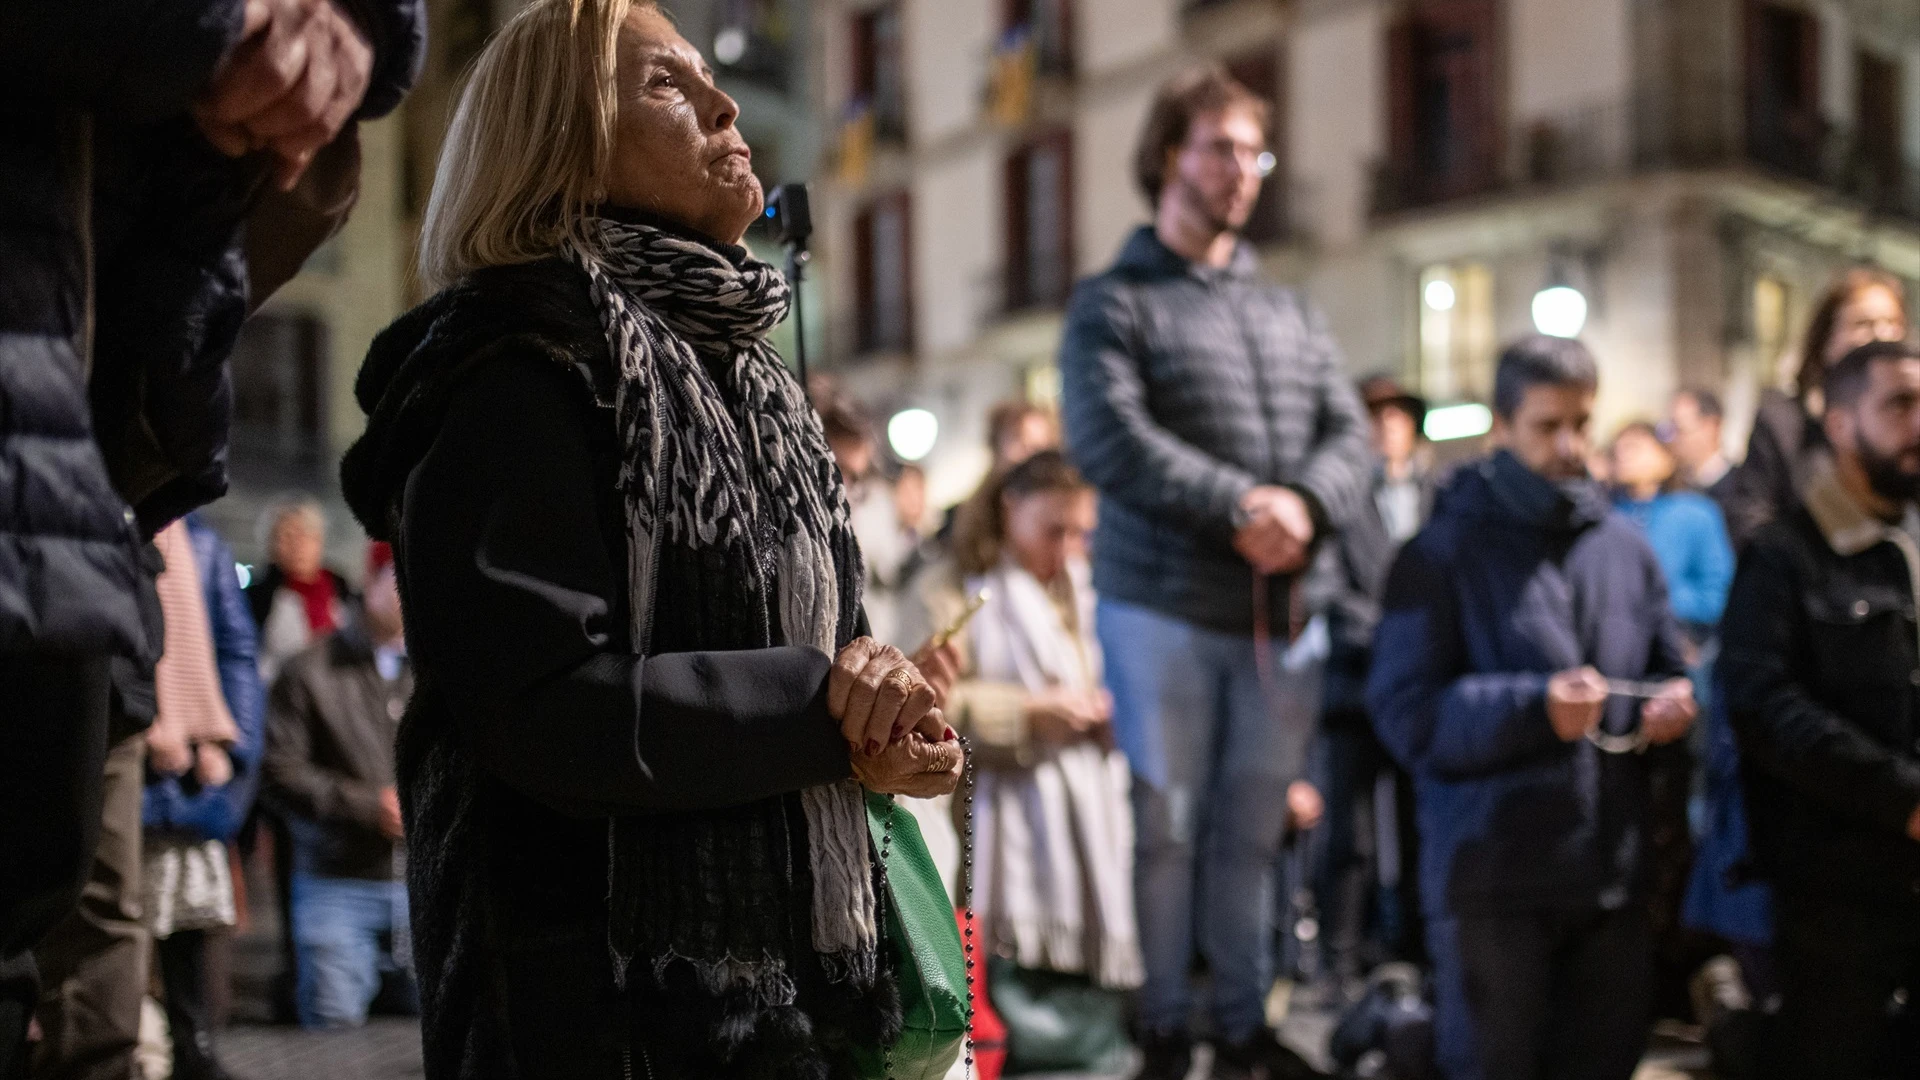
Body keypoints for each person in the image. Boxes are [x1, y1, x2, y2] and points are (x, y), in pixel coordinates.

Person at [335, 2, 964, 1075]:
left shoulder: (756, 387)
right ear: (557, 145)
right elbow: (543, 707)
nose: (725, 104)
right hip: (589, 1006)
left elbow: (832, 650)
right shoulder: (517, 371)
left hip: (789, 1004)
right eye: (666, 85)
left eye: (707, 77)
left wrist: (885, 712)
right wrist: (819, 703)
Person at [0, 0, 421, 1070]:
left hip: (84, 481)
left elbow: (226, 663)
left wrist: (351, 33)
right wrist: (219, 31)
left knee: (74, 937)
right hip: (68, 494)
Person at [1059, 64, 1372, 1080]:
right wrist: (1242, 503)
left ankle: (1239, 1028)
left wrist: (1309, 504)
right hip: (1164, 611)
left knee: (1250, 833)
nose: (1243, 170)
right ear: (1166, 157)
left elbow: (1350, 432)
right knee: (1168, 831)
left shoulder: (1288, 310)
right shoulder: (1112, 302)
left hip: (1281, 617)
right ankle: (1163, 1027)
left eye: (1254, 150)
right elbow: (1110, 438)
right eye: (1220, 147)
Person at [1367, 335, 1699, 1080]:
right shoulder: (1439, 555)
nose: (1571, 446)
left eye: (1581, 423)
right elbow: (1404, 711)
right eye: (1548, 426)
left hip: (1609, 876)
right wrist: (1532, 709)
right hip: (1492, 880)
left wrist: (1674, 711)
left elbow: (1665, 668)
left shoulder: (1624, 548)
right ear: (1501, 428)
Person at [900, 451, 1143, 1073]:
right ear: (1009, 511)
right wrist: (1028, 714)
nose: (1066, 549)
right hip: (993, 821)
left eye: (1079, 532)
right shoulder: (952, 588)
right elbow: (924, 698)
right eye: (1052, 530)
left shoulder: (1085, 587)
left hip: (1088, 810)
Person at [1721, 339, 1920, 1079]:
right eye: (1898, 405)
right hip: (1836, 901)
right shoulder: (1783, 558)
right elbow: (1763, 704)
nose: (1918, 424)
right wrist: (1899, 799)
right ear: (1840, 423)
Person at [1314, 376, 1435, 993]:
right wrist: (1399, 636)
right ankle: (1342, 954)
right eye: (1377, 416)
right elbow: (1331, 591)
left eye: (1399, 416)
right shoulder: (1343, 501)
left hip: (1419, 691)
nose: (1389, 427)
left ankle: (1413, 945)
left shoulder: (1436, 497)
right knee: (1350, 834)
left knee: (1420, 823)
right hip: (1355, 690)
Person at [261, 549, 414, 1030]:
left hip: (424, 880)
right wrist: (369, 806)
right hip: (338, 878)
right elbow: (277, 769)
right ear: (368, 583)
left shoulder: (443, 670)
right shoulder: (310, 670)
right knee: (334, 1033)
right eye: (395, 577)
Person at [142, 515, 264, 1080]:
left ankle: (196, 1048)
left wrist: (234, 747)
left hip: (199, 764)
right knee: (119, 921)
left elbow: (236, 650)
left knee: (192, 924)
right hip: (133, 754)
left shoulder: (205, 544)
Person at [1722, 268, 1908, 548]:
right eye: (1864, 324)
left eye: (1892, 322)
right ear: (1826, 338)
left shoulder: (1911, 424)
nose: (1881, 335)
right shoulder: (1784, 421)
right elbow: (1750, 520)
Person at [1609, 421, 1735, 638]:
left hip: (1679, 642)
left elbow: (1717, 595)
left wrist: (1652, 597)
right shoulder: (1605, 514)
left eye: (1634, 447)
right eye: (1617, 449)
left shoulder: (1696, 514)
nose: (1623, 455)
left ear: (1666, 456)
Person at [247, 498, 358, 685]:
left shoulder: (344, 592)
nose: (297, 545)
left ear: (319, 540)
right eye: (285, 536)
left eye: (304, 535)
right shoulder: (259, 598)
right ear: (271, 547)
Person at [1666, 388, 1735, 504]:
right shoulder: (1674, 485)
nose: (1673, 438)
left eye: (1679, 429)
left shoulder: (1741, 485)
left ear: (1712, 426)